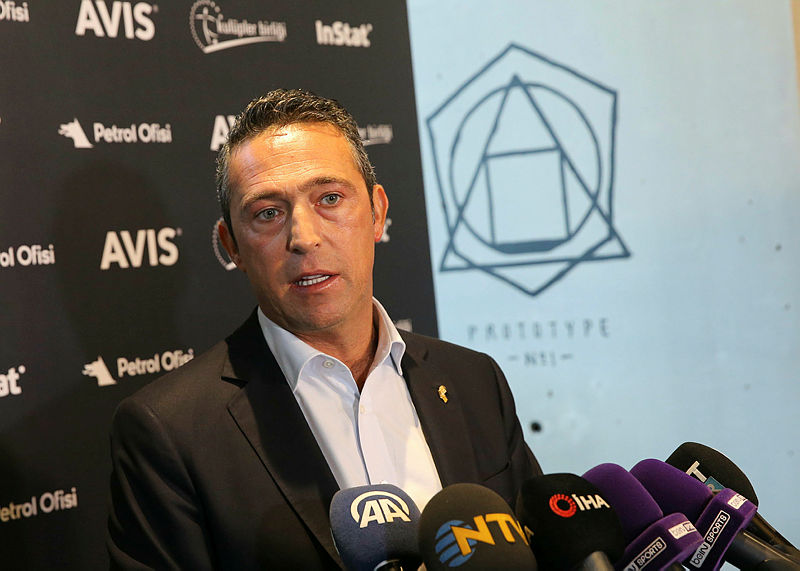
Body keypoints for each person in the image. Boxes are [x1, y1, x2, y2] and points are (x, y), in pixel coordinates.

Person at [107, 88, 541, 569]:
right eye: (268, 213)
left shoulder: (475, 381)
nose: (304, 237)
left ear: (377, 213)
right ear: (232, 246)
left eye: (329, 198)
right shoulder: (169, 432)